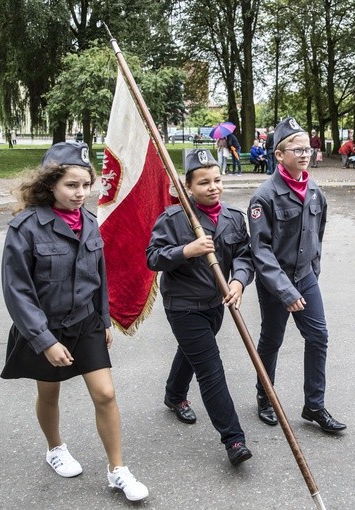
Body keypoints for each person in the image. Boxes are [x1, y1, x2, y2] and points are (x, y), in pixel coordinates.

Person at [0, 142, 149, 502]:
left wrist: (104, 319)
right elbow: (17, 290)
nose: (80, 193)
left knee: (106, 394)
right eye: (71, 185)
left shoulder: (90, 223)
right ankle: (55, 448)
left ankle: (117, 470)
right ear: (50, 184)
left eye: (85, 185)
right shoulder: (26, 228)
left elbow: (98, 276)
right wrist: (45, 341)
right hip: (45, 328)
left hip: (85, 323)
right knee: (49, 392)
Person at [146, 149, 255, 466]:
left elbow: (245, 256)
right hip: (183, 304)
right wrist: (187, 250)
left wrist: (239, 282)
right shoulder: (174, 219)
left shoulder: (234, 217)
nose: (213, 187)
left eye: (217, 180)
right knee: (210, 368)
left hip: (217, 303)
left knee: (191, 352)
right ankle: (233, 439)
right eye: (204, 182)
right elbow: (153, 257)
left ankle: (174, 394)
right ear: (188, 187)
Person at [248, 117, 346, 434]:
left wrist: (312, 274)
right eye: (297, 149)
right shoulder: (264, 197)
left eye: (308, 148)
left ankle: (314, 406)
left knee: (318, 338)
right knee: (272, 341)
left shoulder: (315, 191)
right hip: (277, 285)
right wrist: (285, 291)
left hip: (305, 277)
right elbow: (260, 251)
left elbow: (317, 234)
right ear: (279, 155)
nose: (305, 154)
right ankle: (265, 397)